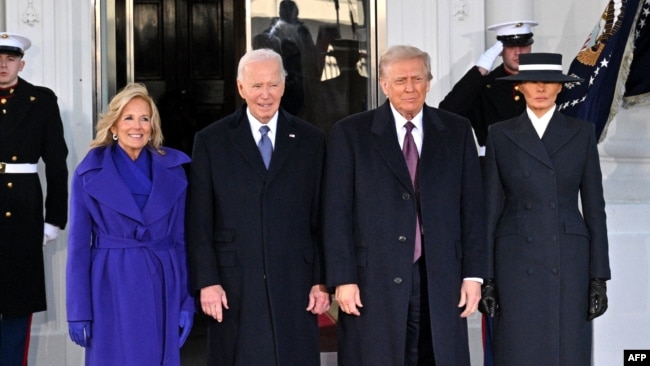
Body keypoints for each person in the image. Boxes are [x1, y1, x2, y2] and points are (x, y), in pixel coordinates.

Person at [323, 44, 486, 366]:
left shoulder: (457, 130)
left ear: (429, 81)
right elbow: (335, 212)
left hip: (441, 275)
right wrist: (342, 278)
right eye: (400, 80)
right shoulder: (350, 134)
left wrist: (474, 275)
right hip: (373, 278)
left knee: (437, 355)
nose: (410, 88)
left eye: (417, 79)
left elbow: (473, 209)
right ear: (384, 84)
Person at [186, 48, 330, 365]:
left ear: (284, 85)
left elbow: (322, 217)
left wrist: (321, 280)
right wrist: (207, 281)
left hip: (296, 279)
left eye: (273, 85)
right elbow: (199, 219)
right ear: (241, 88)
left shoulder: (311, 140)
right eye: (256, 86)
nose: (265, 95)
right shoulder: (211, 140)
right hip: (232, 280)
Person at [480, 53, 610, 366]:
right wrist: (488, 279)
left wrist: (598, 278)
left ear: (559, 88)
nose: (541, 88)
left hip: (569, 261)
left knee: (567, 351)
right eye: (533, 81)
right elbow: (490, 211)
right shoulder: (500, 134)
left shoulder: (582, 133)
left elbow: (594, 209)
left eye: (549, 82)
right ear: (520, 86)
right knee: (517, 350)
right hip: (514, 260)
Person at [66, 83, 194, 365]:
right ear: (113, 126)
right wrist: (78, 310)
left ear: (153, 126)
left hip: (162, 281)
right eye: (128, 118)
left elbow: (181, 240)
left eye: (145, 118)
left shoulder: (174, 171)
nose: (137, 126)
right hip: (110, 285)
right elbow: (77, 247)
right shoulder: (89, 173)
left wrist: (186, 300)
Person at [0, 32, 68, 365]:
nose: (3, 65)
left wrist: (54, 219)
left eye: (10, 59)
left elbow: (57, 164)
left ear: (21, 63)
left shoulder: (40, 100)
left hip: (23, 211)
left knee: (16, 305)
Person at [439, 20, 538, 150]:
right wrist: (480, 70)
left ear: (530, 47)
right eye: (511, 46)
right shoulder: (484, 85)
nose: (518, 52)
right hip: (495, 163)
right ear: (500, 50)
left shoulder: (546, 82)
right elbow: (447, 112)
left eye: (523, 45)